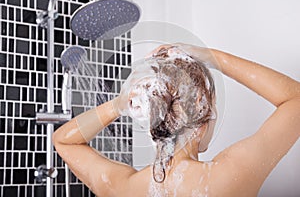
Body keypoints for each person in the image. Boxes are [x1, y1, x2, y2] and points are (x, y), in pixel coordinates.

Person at [52, 43, 300, 197]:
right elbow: (296, 101)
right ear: (206, 116)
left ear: (149, 121)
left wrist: (121, 104)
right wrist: (215, 57)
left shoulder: (122, 188)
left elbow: (63, 141)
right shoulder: (231, 177)